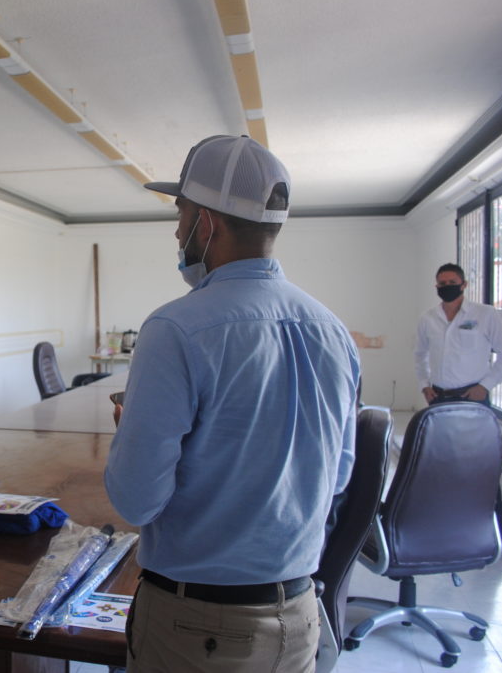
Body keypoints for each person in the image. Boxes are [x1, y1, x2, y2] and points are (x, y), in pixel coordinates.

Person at [104, 136, 359, 673]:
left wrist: (132, 435)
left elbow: (136, 502)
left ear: (206, 223)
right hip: (299, 619)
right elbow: (335, 478)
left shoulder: (174, 328)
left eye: (180, 213)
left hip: (197, 630)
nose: (177, 230)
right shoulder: (334, 331)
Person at [414, 262, 502, 406]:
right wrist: (424, 385)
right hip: (438, 397)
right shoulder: (428, 318)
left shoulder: (485, 314)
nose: (447, 286)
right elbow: (420, 354)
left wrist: (486, 386)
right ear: (437, 286)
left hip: (473, 396)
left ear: (464, 284)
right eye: (442, 283)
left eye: (452, 282)